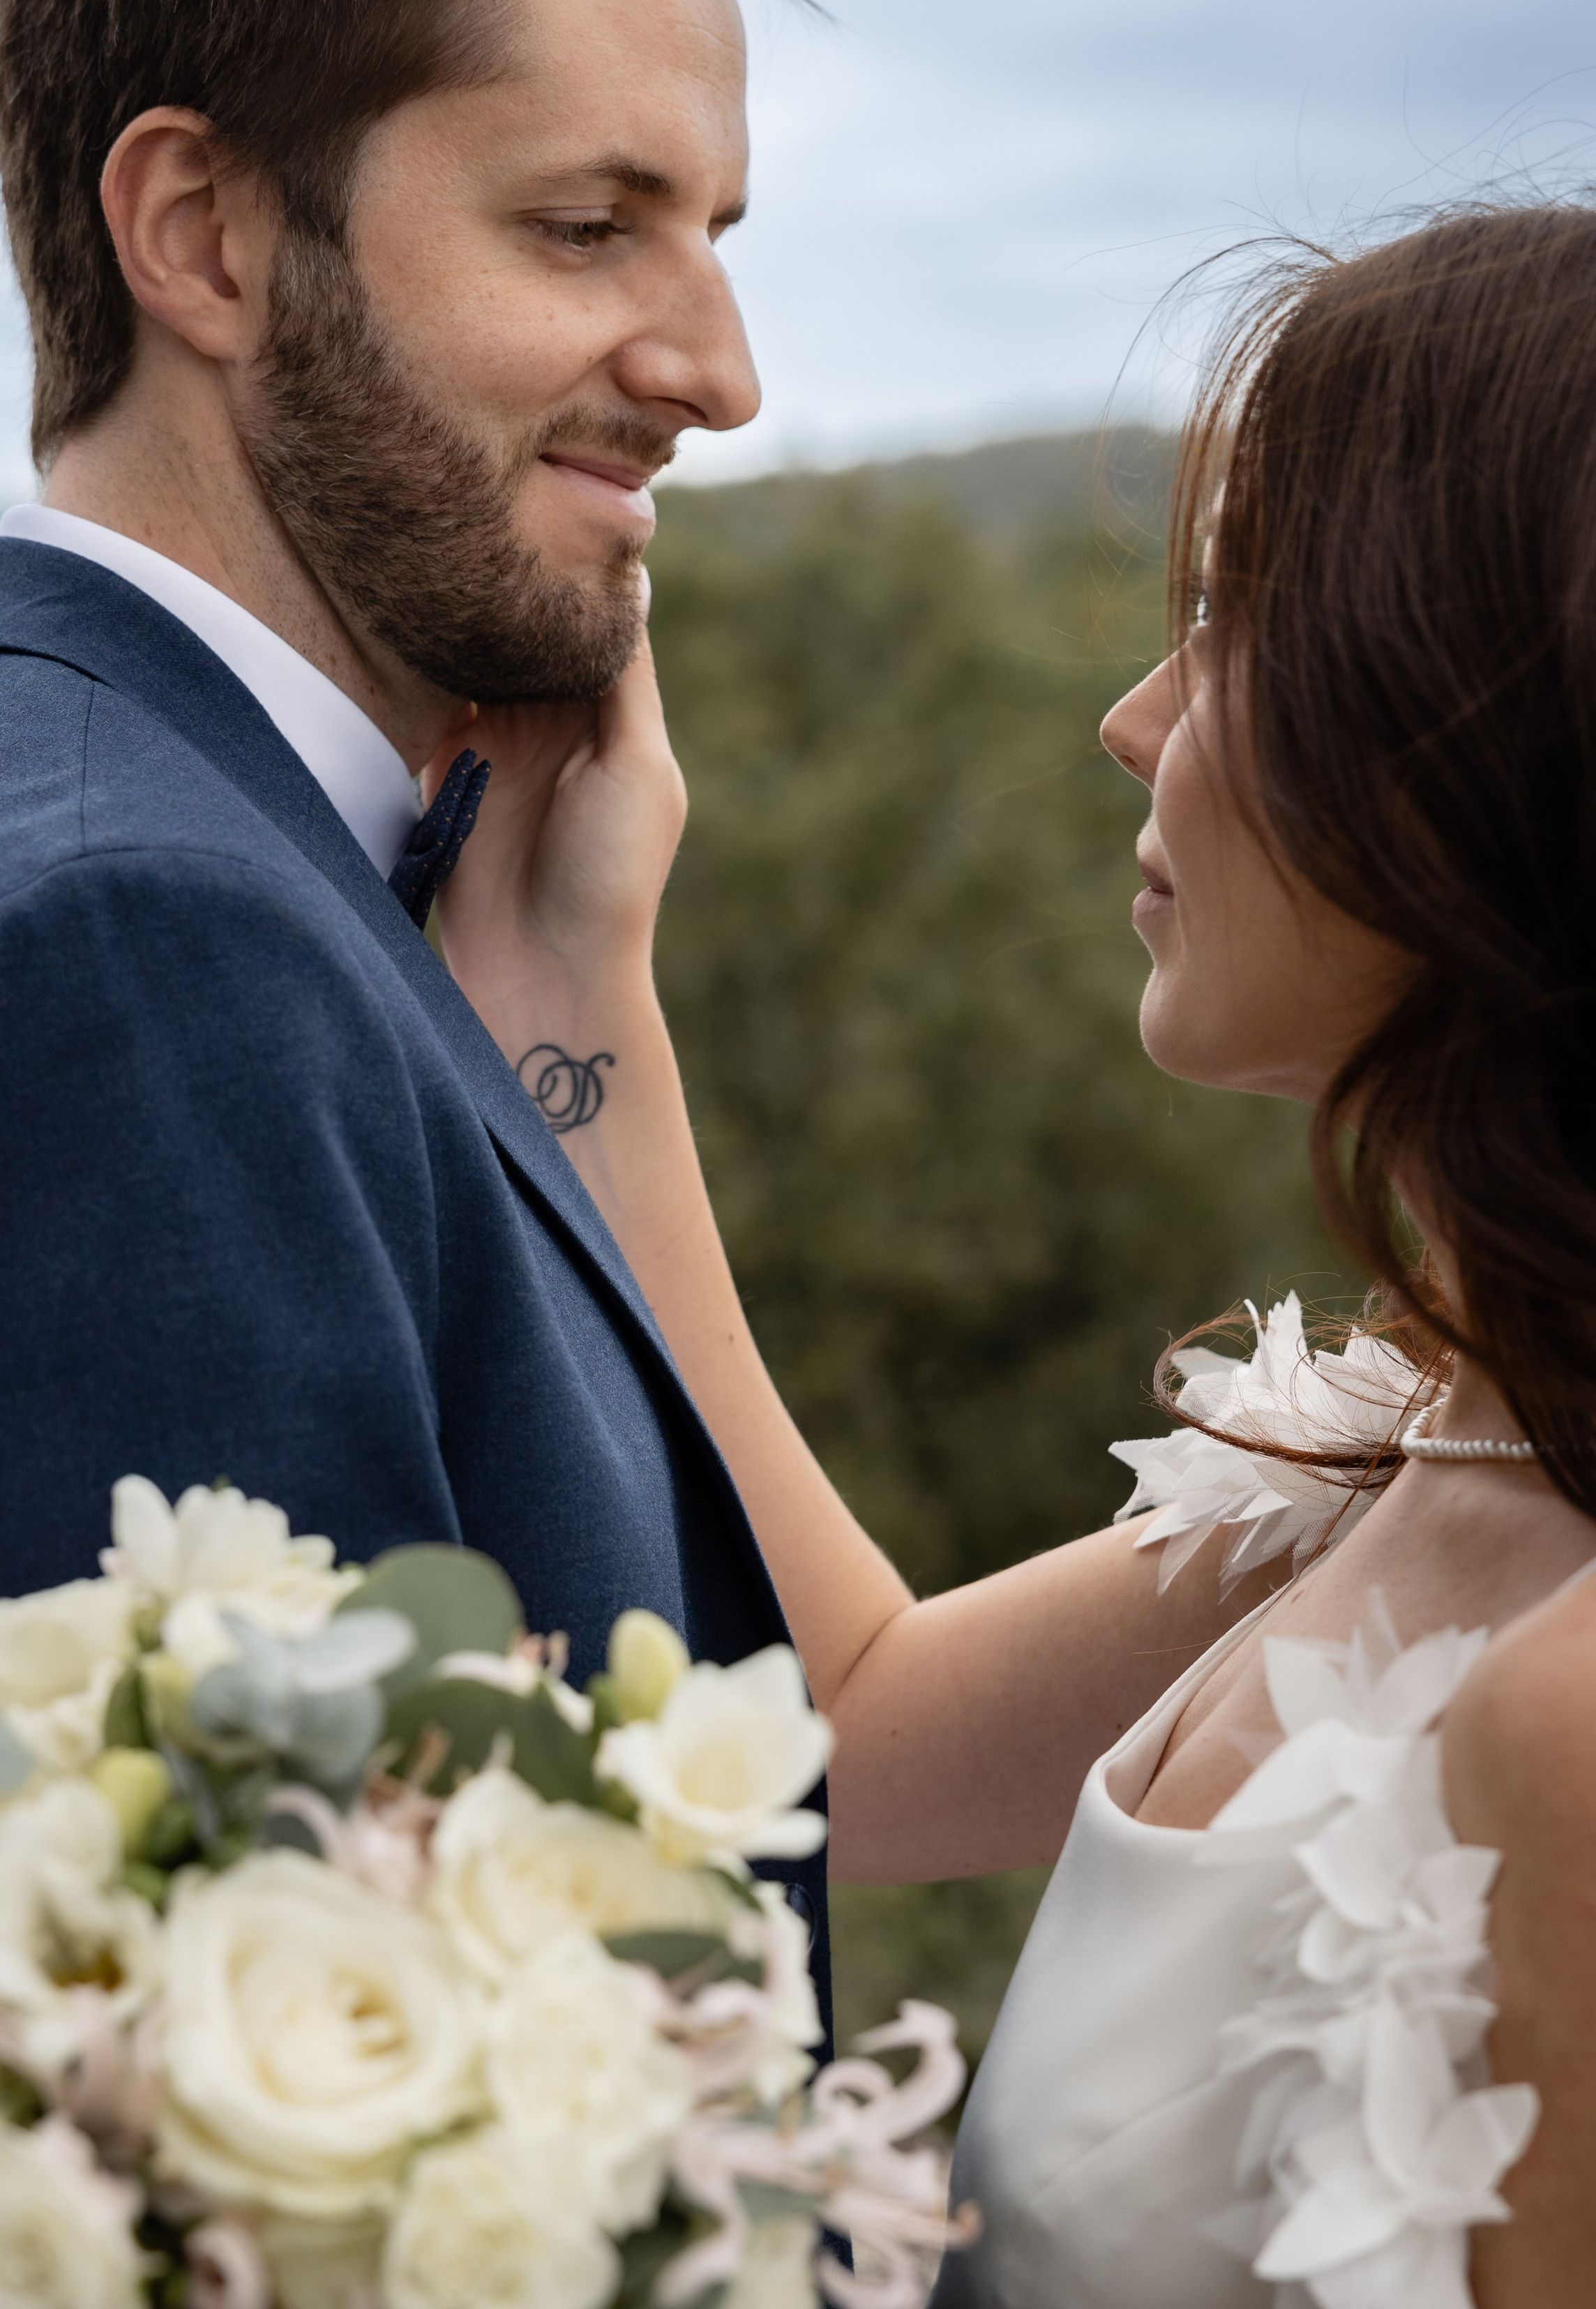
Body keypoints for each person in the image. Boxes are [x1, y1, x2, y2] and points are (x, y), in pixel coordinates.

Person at [433, 200, 1596, 2306]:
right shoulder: (1388, 1458)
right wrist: (574, 972)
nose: (1136, 721)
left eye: (1237, 624)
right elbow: (843, 1724)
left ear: (1483, 738)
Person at [0, 0, 848, 1957]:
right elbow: (234, 2103)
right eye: (589, 229)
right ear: (202, 235)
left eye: (714, 233)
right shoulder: (122, 961)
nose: (721, 375)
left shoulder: (71, 833)